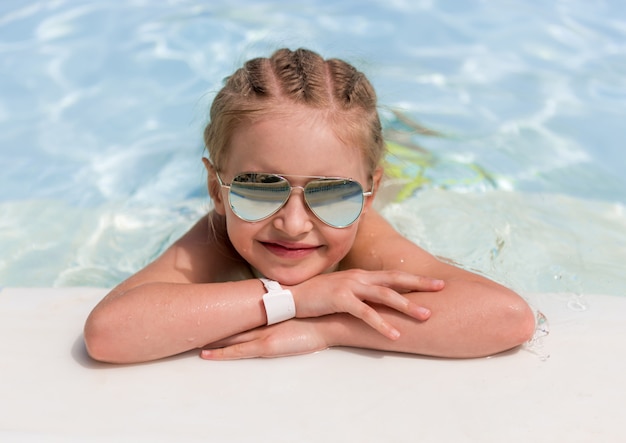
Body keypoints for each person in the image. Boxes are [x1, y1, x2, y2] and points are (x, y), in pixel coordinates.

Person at [84, 48, 535, 364]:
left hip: (406, 179)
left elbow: (505, 317)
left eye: (333, 193)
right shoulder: (216, 238)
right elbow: (110, 333)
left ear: (368, 194)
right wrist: (297, 299)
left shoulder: (368, 240)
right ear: (216, 189)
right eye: (258, 187)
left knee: (411, 162)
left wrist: (328, 328)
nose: (295, 224)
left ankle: (406, 141)